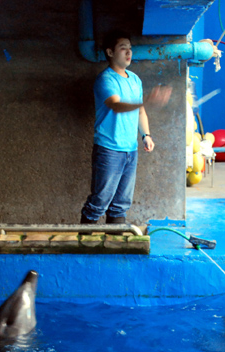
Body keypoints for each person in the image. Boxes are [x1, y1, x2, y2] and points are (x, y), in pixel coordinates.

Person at [80, 32, 172, 225]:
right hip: (109, 149)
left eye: (130, 48)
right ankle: (85, 242)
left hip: (131, 149)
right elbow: (116, 105)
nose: (128, 52)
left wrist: (146, 135)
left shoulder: (135, 80)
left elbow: (141, 112)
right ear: (110, 52)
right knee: (99, 201)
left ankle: (115, 244)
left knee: (121, 203)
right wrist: (145, 101)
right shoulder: (106, 79)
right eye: (123, 48)